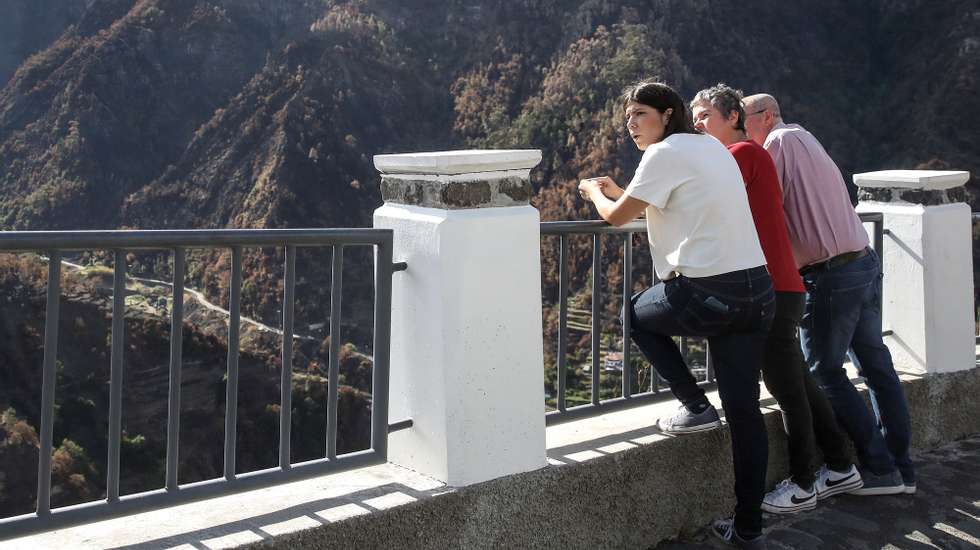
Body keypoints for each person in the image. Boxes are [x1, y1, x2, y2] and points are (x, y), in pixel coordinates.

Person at [578, 80, 774, 549]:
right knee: (745, 412)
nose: (630, 123)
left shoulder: (663, 154)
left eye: (639, 114)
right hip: (756, 291)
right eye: (627, 116)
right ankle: (749, 525)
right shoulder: (708, 146)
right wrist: (622, 192)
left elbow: (616, 217)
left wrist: (593, 191)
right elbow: (671, 202)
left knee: (637, 316)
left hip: (709, 292)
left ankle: (695, 405)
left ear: (667, 114)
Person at [690, 84, 863, 514]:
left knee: (787, 390)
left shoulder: (742, 155)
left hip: (772, 288)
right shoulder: (750, 156)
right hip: (782, 286)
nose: (698, 122)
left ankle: (804, 482)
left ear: (733, 117)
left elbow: (697, 208)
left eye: (706, 114)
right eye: (694, 115)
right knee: (800, 382)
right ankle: (842, 465)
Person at [742, 92, 915, 496]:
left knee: (823, 370)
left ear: (766, 117)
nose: (741, 129)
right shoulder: (805, 136)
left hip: (831, 274)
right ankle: (902, 467)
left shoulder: (777, 144)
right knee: (877, 368)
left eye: (744, 120)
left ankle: (877, 469)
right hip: (862, 262)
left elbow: (761, 201)